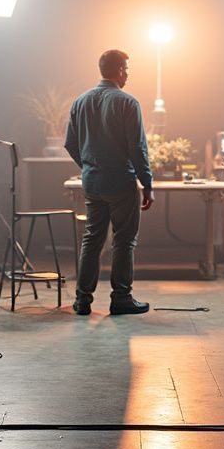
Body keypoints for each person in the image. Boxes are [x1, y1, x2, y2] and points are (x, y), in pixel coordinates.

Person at [65, 49, 154, 316]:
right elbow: (137, 148)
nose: (127, 73)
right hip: (121, 183)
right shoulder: (127, 103)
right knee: (124, 241)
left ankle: (82, 301)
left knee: (92, 240)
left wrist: (90, 166)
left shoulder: (80, 101)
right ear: (118, 70)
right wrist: (146, 182)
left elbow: (71, 144)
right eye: (126, 69)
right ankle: (121, 299)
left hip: (92, 183)